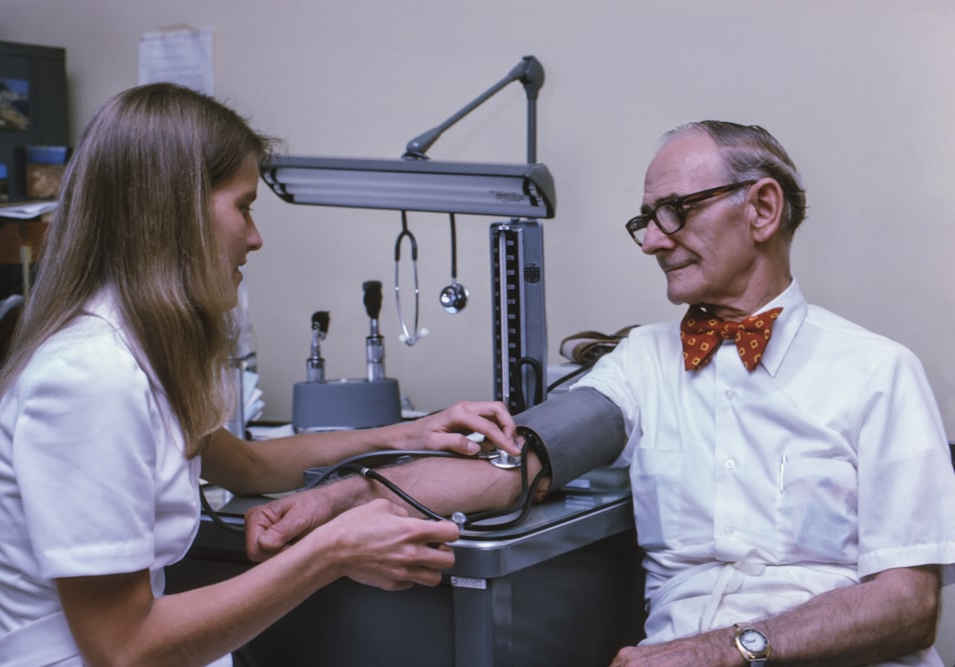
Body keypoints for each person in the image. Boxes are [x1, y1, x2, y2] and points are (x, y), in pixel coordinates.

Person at [246, 120, 955, 667]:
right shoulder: (642, 362)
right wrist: (328, 500)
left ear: (762, 209)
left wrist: (722, 651)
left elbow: (908, 605)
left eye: (675, 210)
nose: (652, 240)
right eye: (646, 218)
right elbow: (506, 465)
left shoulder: (879, 372)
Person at [0, 82, 521, 667]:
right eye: (244, 206)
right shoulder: (92, 377)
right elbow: (122, 648)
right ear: (174, 214)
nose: (255, 238)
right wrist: (328, 553)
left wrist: (402, 435)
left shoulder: (133, 356)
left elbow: (253, 467)